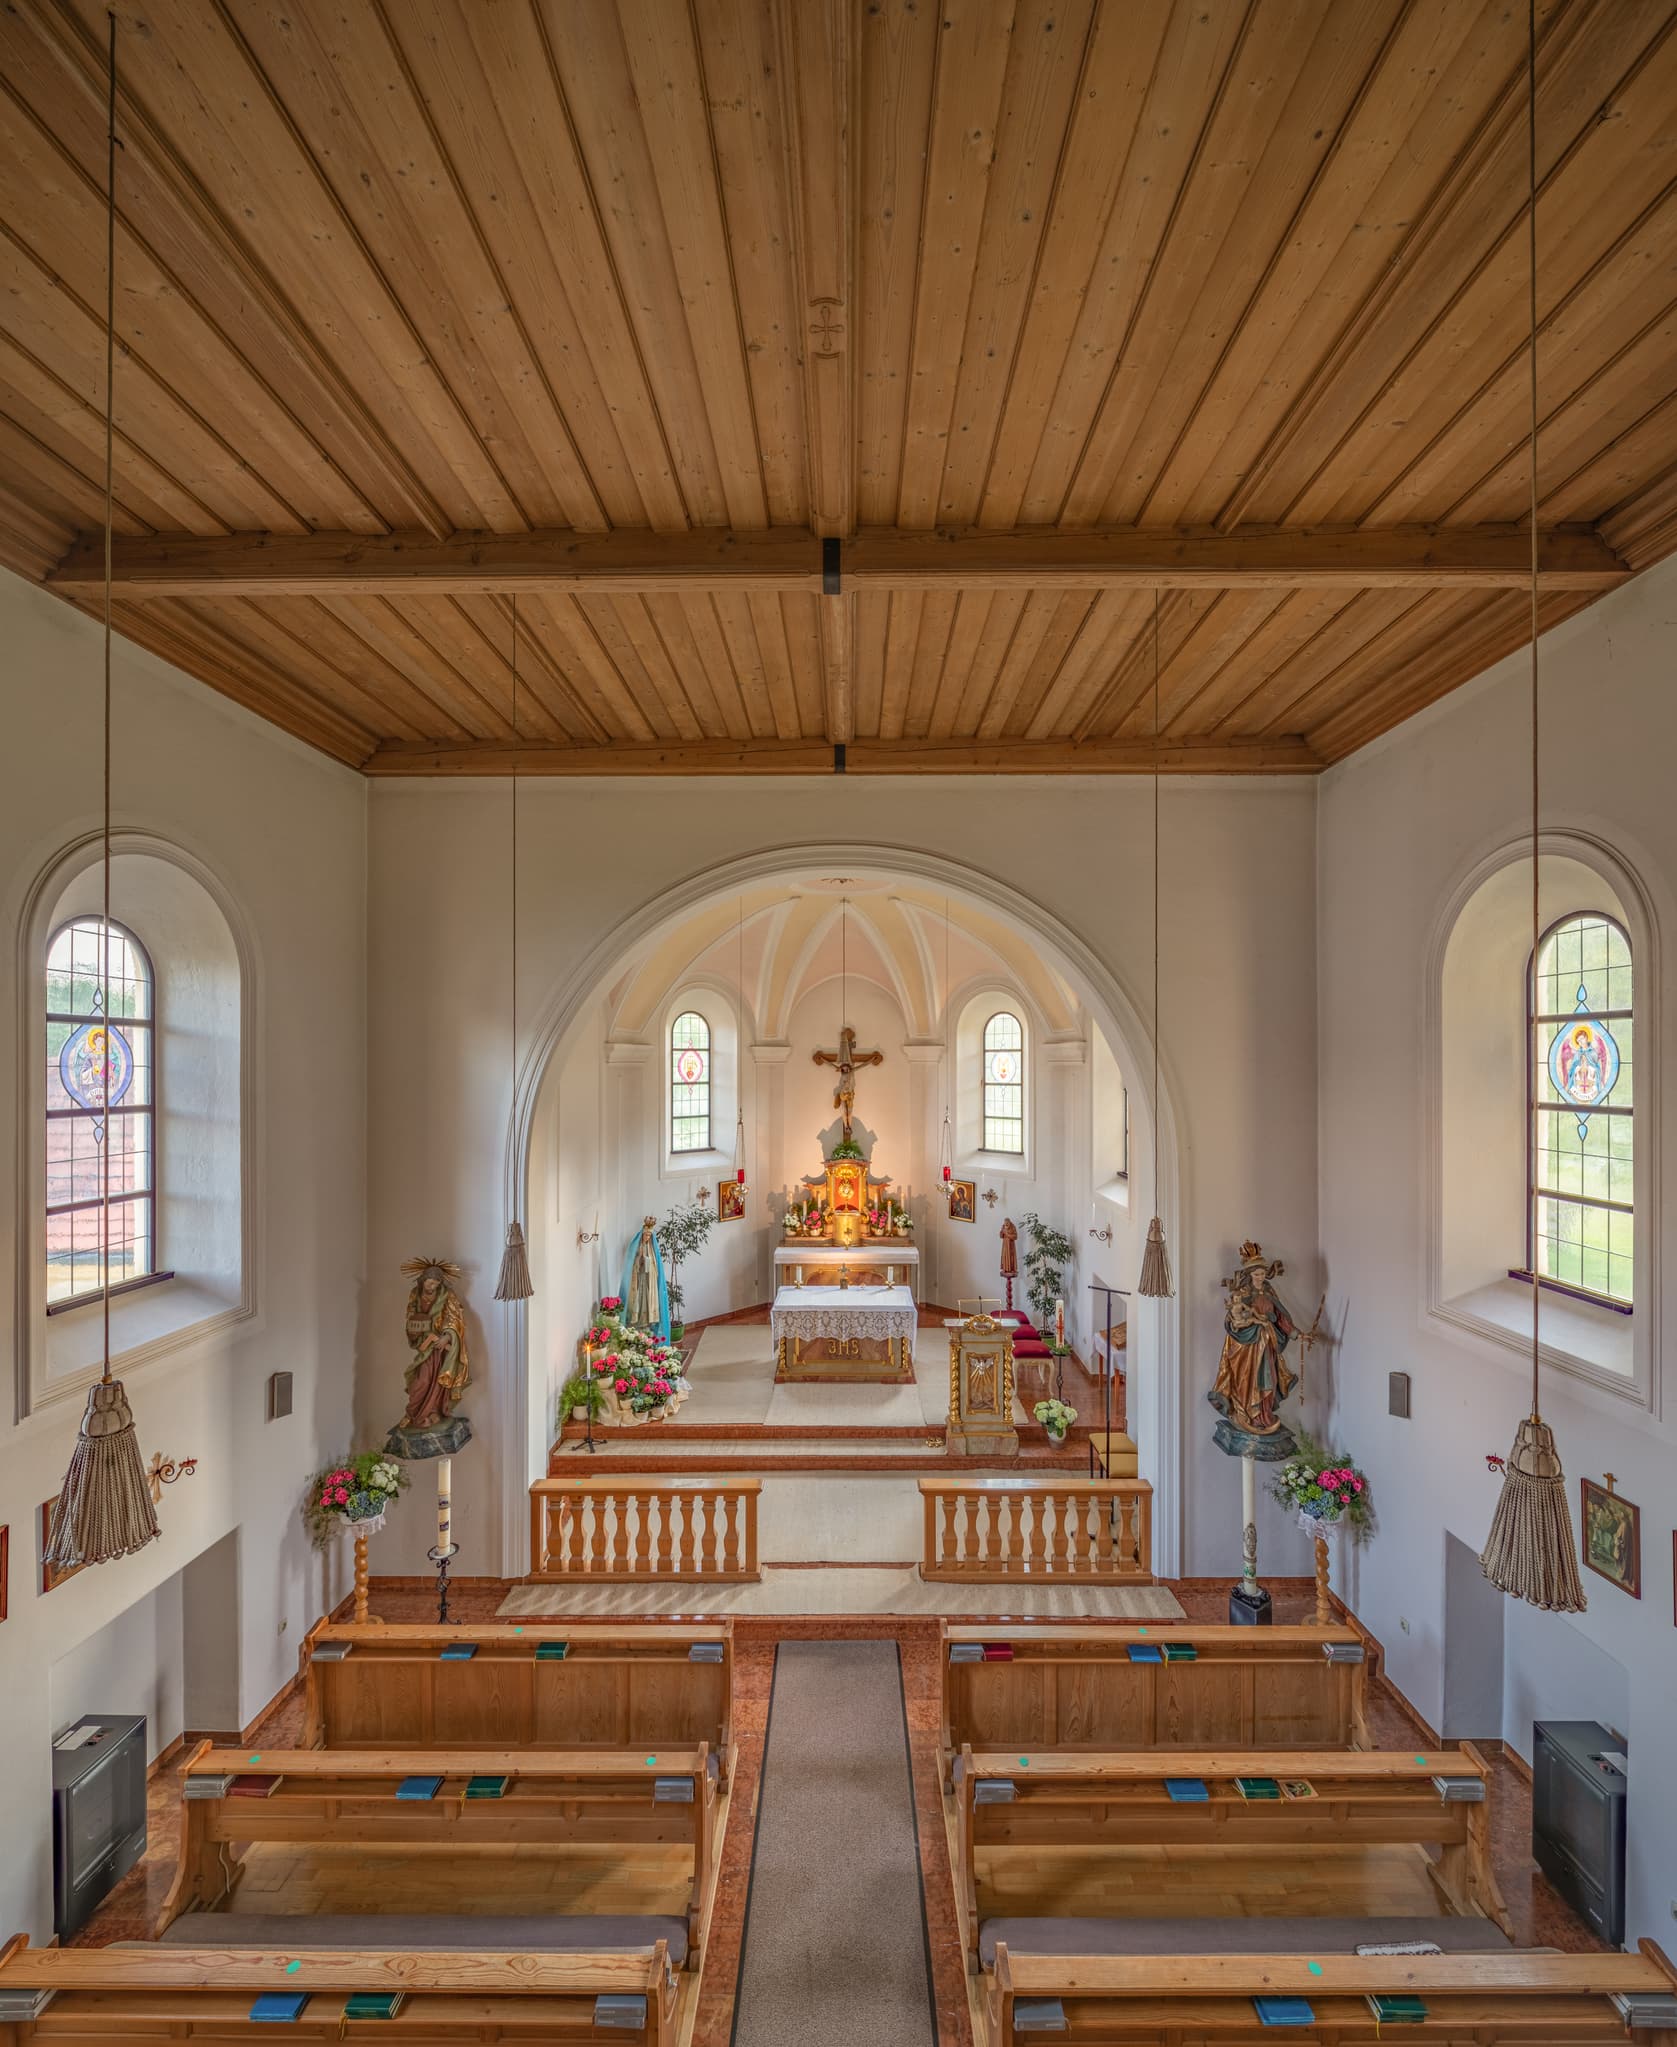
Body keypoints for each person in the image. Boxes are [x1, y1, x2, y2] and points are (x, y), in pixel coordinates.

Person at [1208, 1242, 1299, 1435]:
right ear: (1249, 1275)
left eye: (1262, 1273)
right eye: (1256, 1274)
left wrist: (1296, 1333)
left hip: (1267, 1345)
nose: (1260, 1277)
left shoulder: (1269, 1292)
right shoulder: (1242, 1294)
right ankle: (1248, 1414)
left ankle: (1264, 1415)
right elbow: (1232, 1318)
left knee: (1269, 1378)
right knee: (1247, 1380)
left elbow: (1280, 1315)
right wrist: (1241, 1321)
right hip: (1247, 1348)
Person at [400, 1260, 469, 1428]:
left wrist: (447, 1337)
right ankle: (412, 1413)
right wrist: (413, 1330)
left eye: (436, 1283)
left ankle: (432, 1412)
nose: (432, 1286)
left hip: (439, 1346)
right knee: (421, 1382)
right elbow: (411, 1316)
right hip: (424, 1345)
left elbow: (454, 1319)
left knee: (438, 1382)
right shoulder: (415, 1294)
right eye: (430, 1282)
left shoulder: (447, 1295)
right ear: (423, 1280)